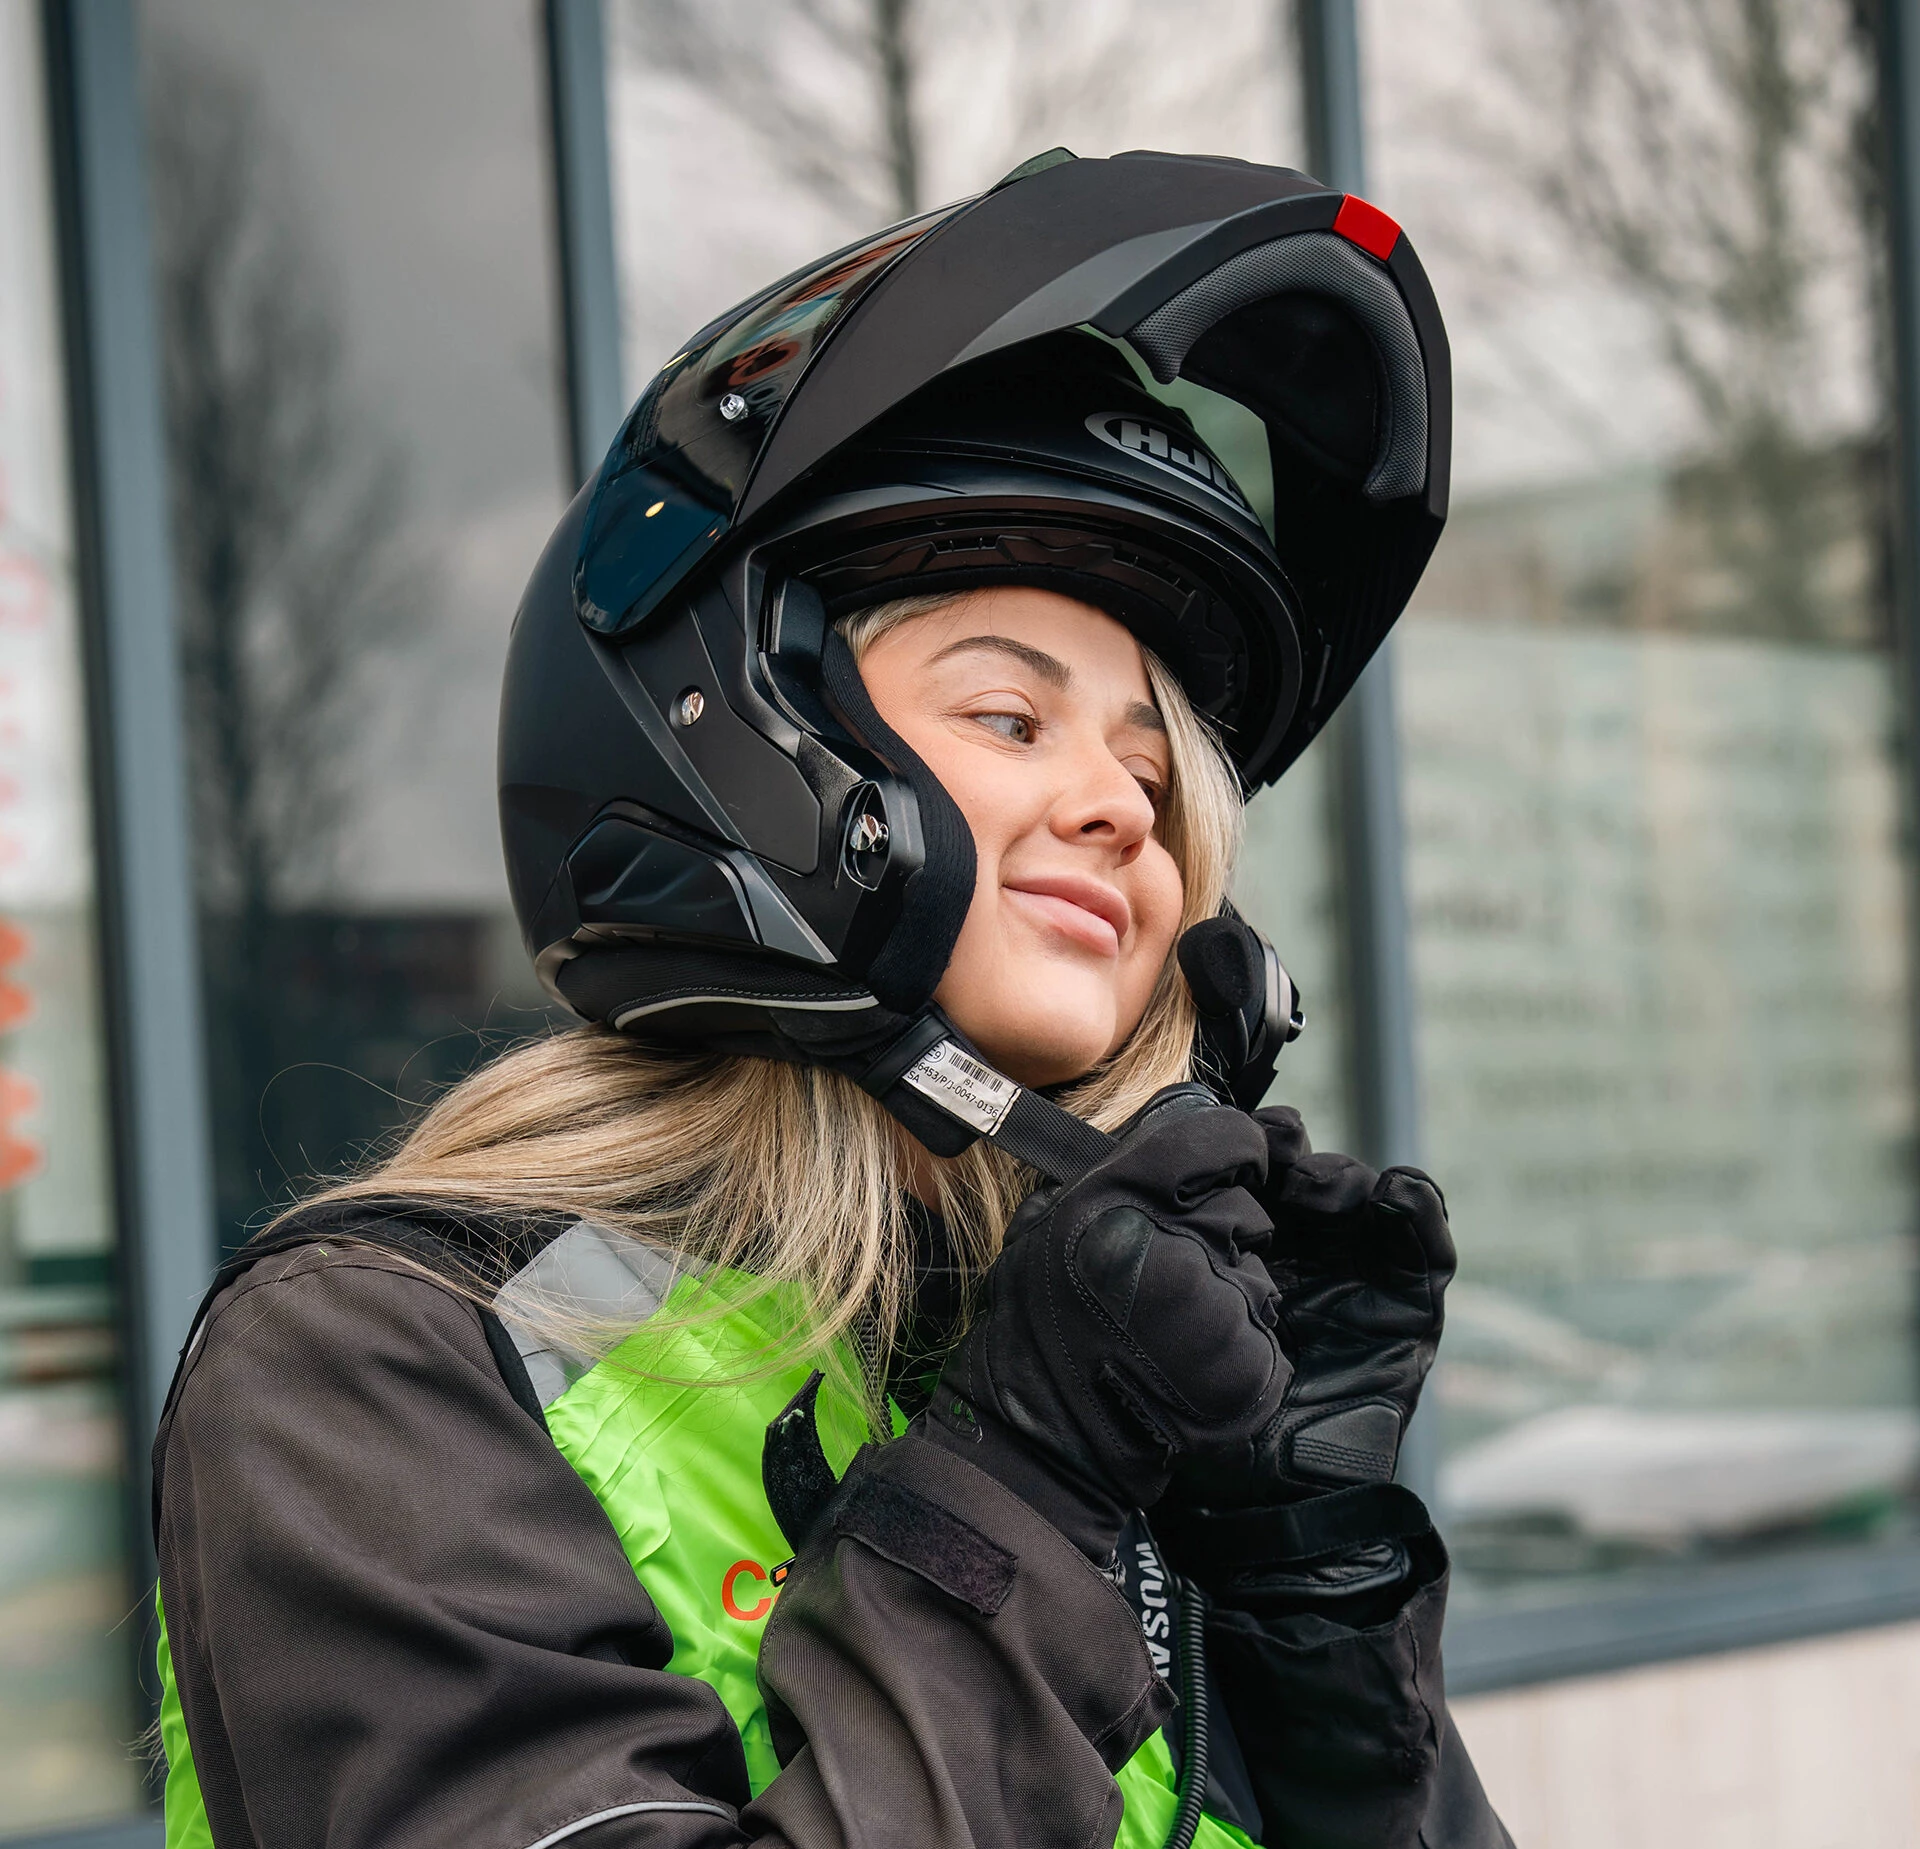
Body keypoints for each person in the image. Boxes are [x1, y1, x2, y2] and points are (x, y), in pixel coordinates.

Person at [151, 150, 1512, 1849]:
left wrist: (1319, 1621)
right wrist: (1024, 1482)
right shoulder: (383, 1358)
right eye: (1012, 720)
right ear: (754, 741)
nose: (1117, 808)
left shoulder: (1100, 1358)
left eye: (1160, 781)